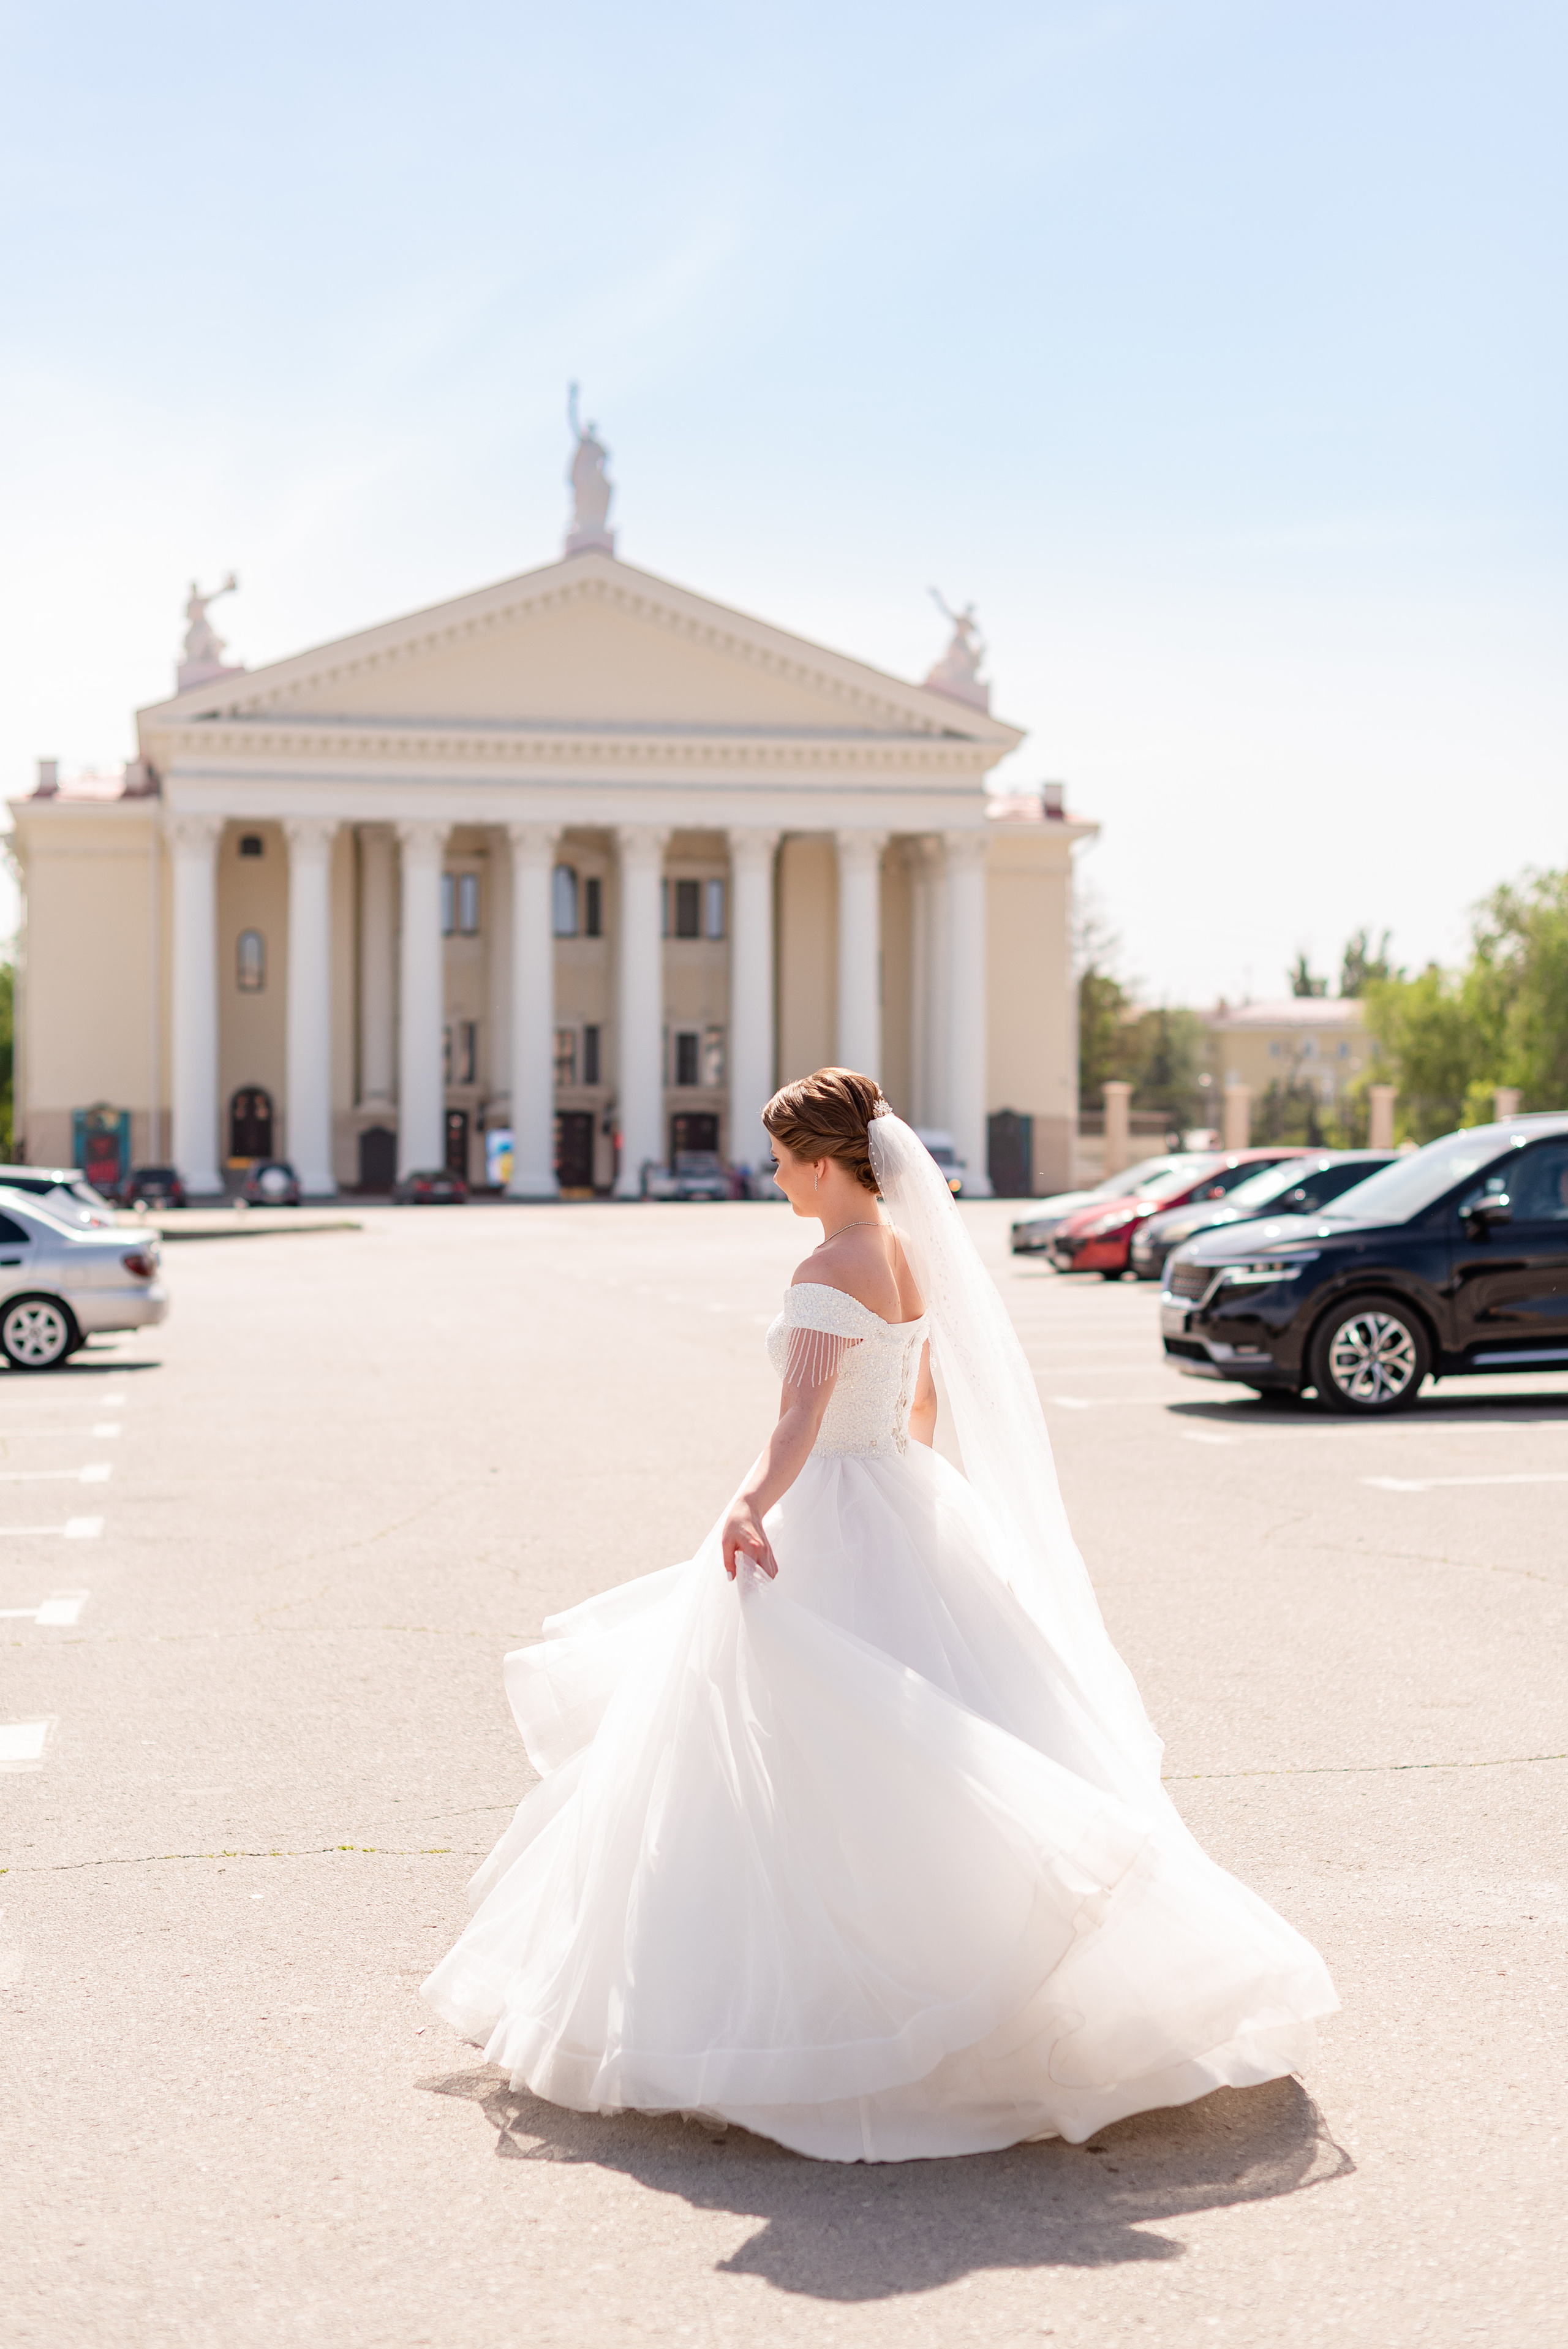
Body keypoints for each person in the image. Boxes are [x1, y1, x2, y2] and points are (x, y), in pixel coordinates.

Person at [423, 1067, 1336, 2161]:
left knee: (800, 1753)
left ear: (821, 1162)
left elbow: (798, 1414)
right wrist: (913, 1488)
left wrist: (750, 1502)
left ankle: (812, 2012)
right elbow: (925, 1396)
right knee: (948, 1737)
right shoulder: (906, 1252)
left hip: (834, 1505)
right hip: (902, 1491)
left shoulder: (826, 1264)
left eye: (779, 1159)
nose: (773, 1177)